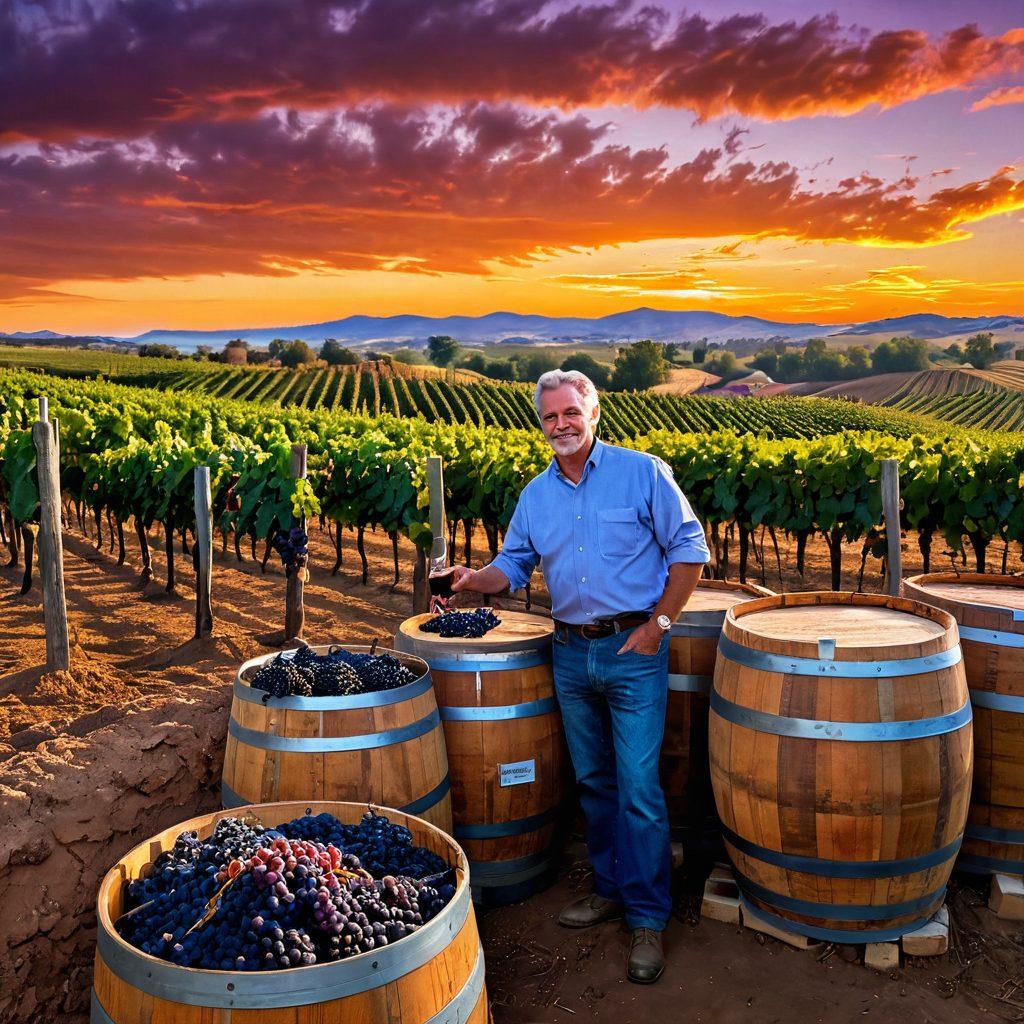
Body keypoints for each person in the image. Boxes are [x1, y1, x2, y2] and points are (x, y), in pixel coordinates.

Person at [450, 368, 710, 984]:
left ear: (593, 415)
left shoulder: (641, 472)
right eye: (550, 417)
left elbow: (689, 549)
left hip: (633, 650)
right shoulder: (535, 495)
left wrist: (659, 626)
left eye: (571, 413)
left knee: (640, 788)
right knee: (593, 782)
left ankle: (647, 918)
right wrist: (472, 580)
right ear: (541, 425)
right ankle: (609, 889)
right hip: (569, 652)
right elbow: (512, 565)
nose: (561, 424)